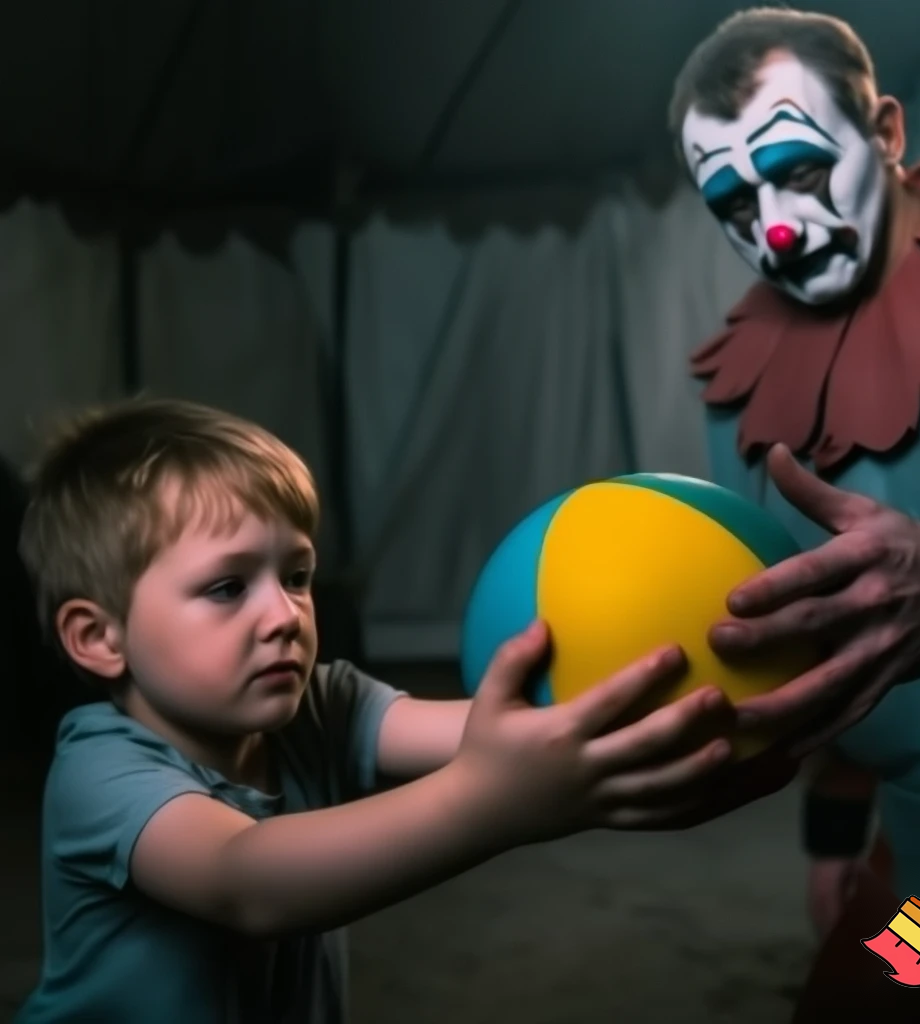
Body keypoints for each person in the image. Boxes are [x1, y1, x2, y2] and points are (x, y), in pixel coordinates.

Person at [12, 396, 786, 1024]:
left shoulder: (321, 703)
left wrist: (645, 709)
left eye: (297, 575)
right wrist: (492, 803)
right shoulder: (100, 770)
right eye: (227, 588)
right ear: (98, 637)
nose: (284, 614)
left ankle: (913, 961)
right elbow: (243, 882)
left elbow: (489, 733)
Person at [668, 3, 920, 1002]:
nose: (773, 225)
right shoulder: (746, 396)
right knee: (860, 1000)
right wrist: (833, 828)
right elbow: (818, 631)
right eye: (734, 202)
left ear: (887, 133)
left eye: (799, 167)